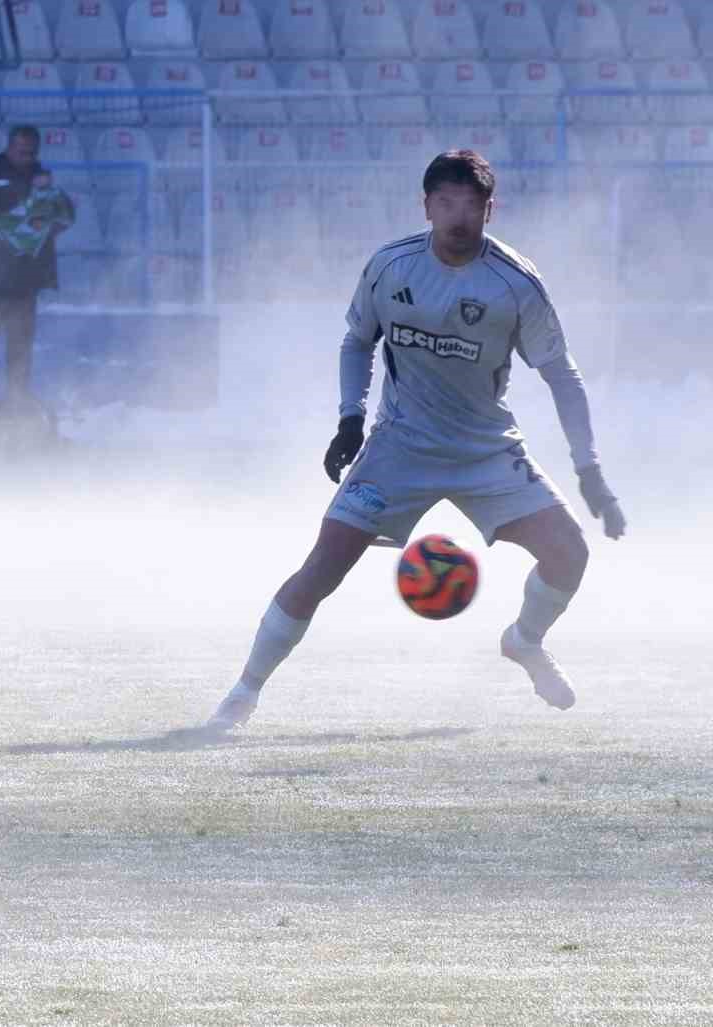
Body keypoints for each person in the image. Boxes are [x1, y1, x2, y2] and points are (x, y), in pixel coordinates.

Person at [204, 150, 627, 732]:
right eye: (446, 202)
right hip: (400, 447)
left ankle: (524, 641)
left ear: (490, 209)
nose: (458, 216)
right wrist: (350, 418)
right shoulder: (391, 267)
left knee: (570, 554)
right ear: (426, 206)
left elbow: (563, 375)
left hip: (486, 449)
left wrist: (590, 469)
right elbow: (357, 341)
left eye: (471, 204)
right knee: (323, 565)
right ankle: (243, 693)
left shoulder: (515, 283)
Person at [0, 124, 74, 432]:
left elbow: (63, 216)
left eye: (31, 153)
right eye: (21, 151)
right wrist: (39, 194)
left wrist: (47, 206)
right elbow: (4, 203)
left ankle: (16, 410)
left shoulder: (42, 183)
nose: (26, 157)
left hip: (24, 284)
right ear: (10, 148)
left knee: (20, 354)